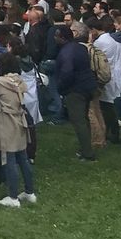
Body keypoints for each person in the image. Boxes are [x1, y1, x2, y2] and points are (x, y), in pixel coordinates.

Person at [0, 53, 37, 207]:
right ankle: (30, 191)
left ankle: (13, 196)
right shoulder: (19, 81)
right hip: (19, 121)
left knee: (9, 159)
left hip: (5, 123)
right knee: (22, 157)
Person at [54, 24, 97, 160]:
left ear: (62, 38)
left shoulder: (66, 52)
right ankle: (86, 148)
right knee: (84, 119)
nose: (54, 38)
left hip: (75, 90)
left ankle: (88, 154)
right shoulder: (80, 47)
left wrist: (61, 88)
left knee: (79, 122)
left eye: (56, 36)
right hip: (88, 86)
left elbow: (67, 73)